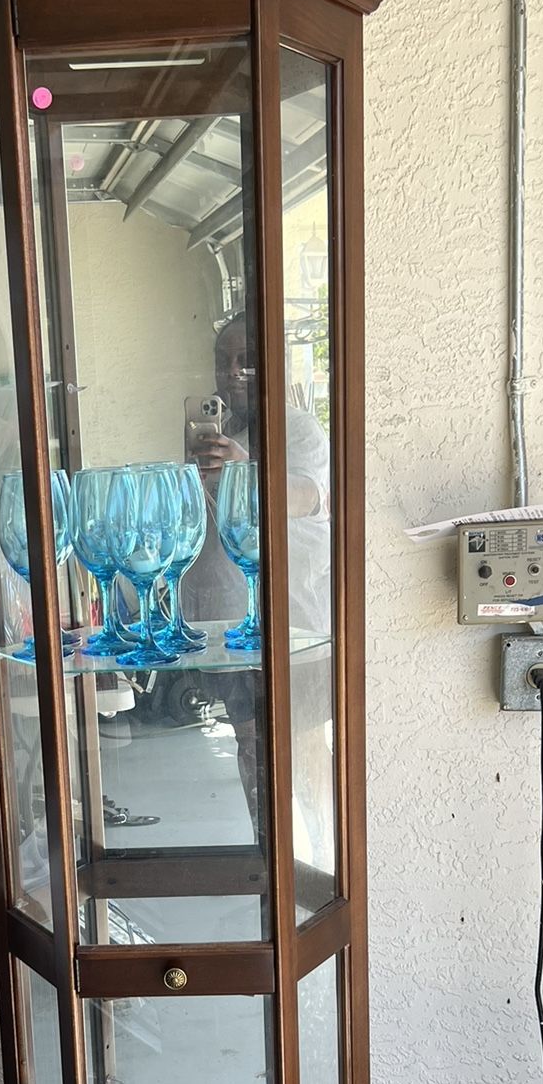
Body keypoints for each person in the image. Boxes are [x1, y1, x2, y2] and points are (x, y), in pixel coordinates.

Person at [184, 313, 335, 885]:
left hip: (295, 626)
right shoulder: (213, 436)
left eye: (245, 359)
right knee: (251, 743)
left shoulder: (297, 430)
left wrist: (247, 472)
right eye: (222, 359)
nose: (231, 371)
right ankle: (267, 861)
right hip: (228, 623)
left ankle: (316, 862)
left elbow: (312, 496)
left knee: (301, 745)